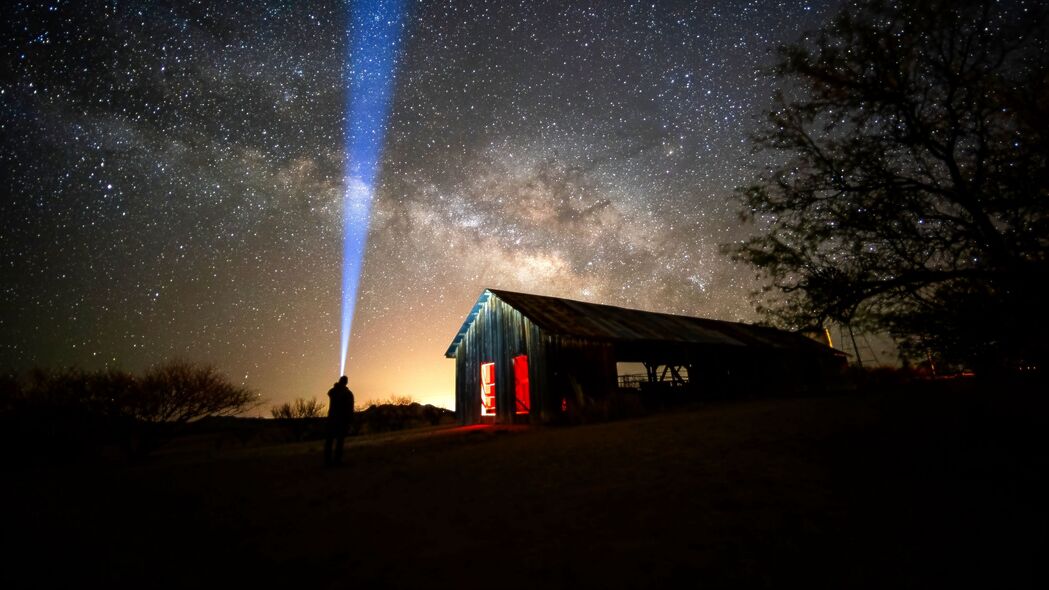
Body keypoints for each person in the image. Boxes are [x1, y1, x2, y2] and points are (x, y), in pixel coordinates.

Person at [324, 375, 354, 466]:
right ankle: (334, 460)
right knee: (337, 441)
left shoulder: (335, 391)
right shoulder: (345, 393)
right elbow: (350, 407)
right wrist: (349, 419)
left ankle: (329, 461)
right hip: (340, 420)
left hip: (333, 419)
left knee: (332, 441)